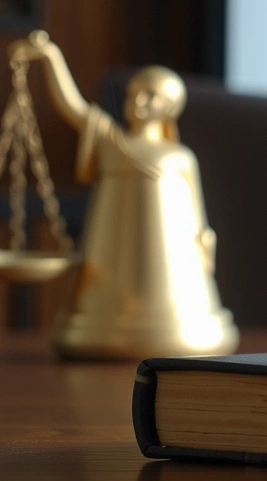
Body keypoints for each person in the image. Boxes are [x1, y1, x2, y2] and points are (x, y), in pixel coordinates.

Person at [7, 31, 237, 359]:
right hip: (102, 299)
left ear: (170, 108)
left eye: (152, 97)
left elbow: (198, 217)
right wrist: (51, 57)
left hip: (180, 289)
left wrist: (204, 241)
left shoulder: (179, 158)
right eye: (135, 95)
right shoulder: (111, 142)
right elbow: (72, 106)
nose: (139, 103)